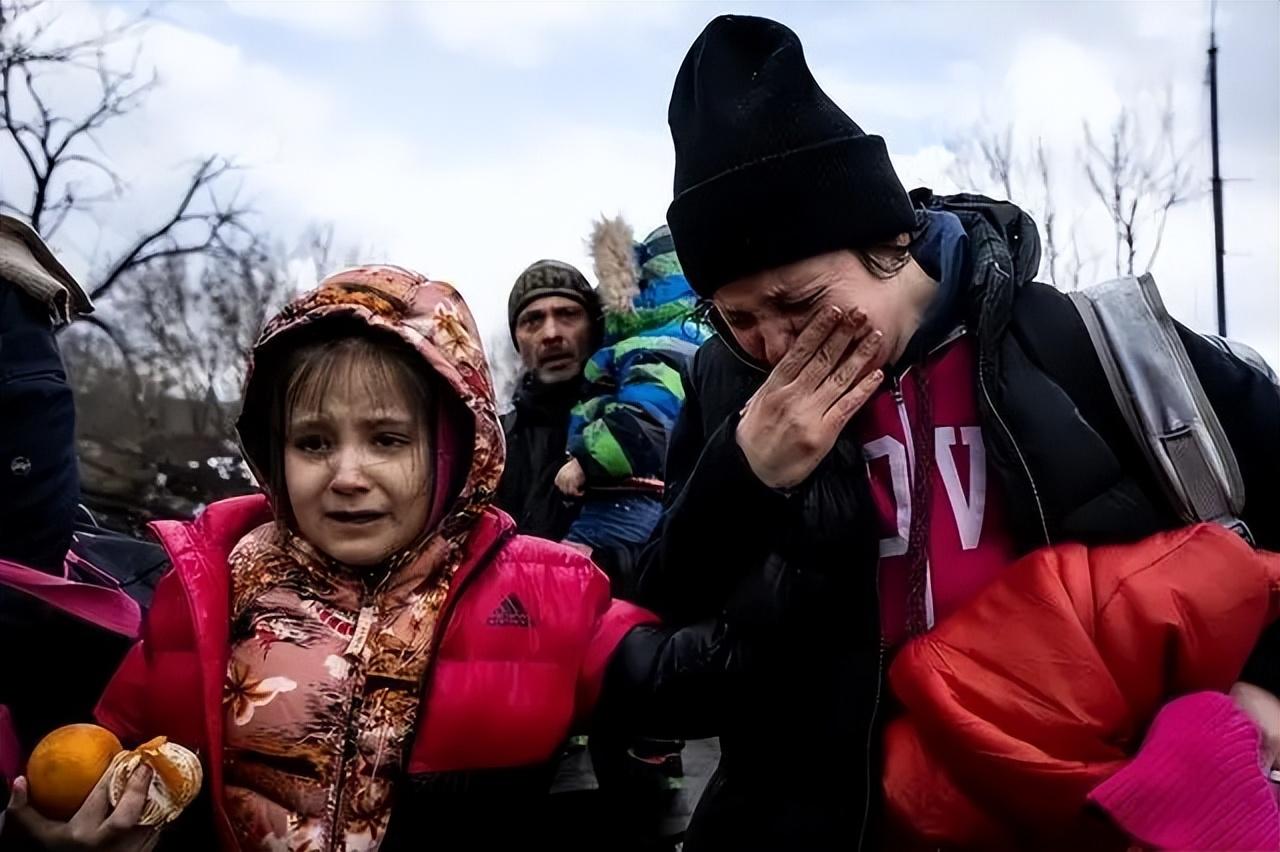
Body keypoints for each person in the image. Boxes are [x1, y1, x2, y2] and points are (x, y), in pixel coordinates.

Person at [638, 15, 1280, 851]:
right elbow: (661, 605)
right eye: (736, 318)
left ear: (889, 241)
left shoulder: (1087, 341)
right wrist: (743, 475)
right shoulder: (725, 386)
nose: (773, 344)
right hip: (823, 819)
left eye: (797, 302)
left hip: (1080, 803)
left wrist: (1267, 682)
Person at [1, 266, 773, 851]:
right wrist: (66, 825)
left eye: (387, 439)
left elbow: (695, 678)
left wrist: (767, 495)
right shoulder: (207, 591)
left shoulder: (545, 590)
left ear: (452, 456)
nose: (345, 474)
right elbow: (114, 753)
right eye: (312, 442)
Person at [554, 218, 710, 557]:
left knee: (568, 570)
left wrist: (586, 460)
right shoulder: (693, 340)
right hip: (640, 491)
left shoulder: (654, 345)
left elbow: (649, 418)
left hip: (627, 495)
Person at [495, 260, 601, 543]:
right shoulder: (494, 447)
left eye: (567, 314)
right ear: (517, 340)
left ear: (593, 326)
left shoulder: (630, 428)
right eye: (533, 320)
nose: (551, 334)